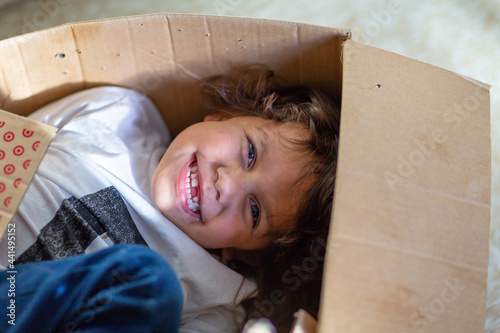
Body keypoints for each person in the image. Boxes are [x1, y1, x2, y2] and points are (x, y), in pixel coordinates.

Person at [0, 66, 340, 332]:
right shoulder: (117, 114)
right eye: (250, 152)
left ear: (243, 254)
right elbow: (13, 135)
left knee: (148, 280)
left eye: (254, 211)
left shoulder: (219, 299)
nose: (227, 183)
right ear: (225, 115)